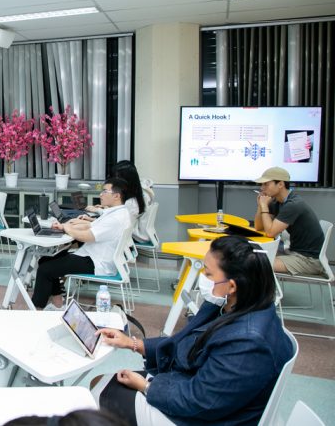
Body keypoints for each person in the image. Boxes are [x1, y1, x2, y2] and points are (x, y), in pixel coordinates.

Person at [94, 235, 293, 426]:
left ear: (232, 286)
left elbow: (201, 402)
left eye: (208, 273)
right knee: (102, 383)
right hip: (194, 387)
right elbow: (186, 342)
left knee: (99, 394)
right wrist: (132, 343)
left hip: (206, 416)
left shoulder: (247, 341)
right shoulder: (242, 305)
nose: (203, 277)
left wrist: (146, 387)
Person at [31, 177, 132, 310]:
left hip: (96, 262)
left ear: (117, 196)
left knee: (45, 269)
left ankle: (36, 311)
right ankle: (58, 304)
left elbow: (86, 237)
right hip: (95, 256)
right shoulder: (118, 212)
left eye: (104, 191)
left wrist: (67, 228)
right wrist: (65, 227)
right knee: (45, 260)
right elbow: (91, 226)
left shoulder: (115, 218)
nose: (101, 194)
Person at [254, 166, 325, 276]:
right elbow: (259, 227)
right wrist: (260, 205)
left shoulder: (293, 204)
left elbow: (270, 233)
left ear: (280, 184)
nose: (262, 188)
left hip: (308, 260)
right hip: (294, 252)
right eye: (261, 184)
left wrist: (264, 206)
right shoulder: (277, 202)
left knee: (255, 263)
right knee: (253, 256)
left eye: (266, 184)